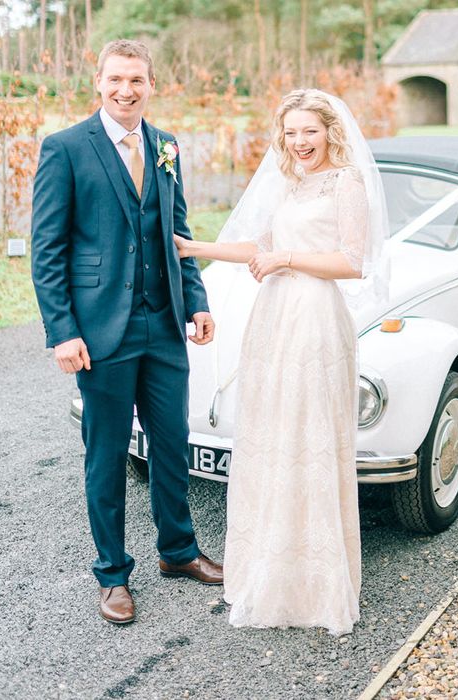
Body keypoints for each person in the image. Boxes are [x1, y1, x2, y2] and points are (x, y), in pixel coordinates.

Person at [174, 89, 388, 635]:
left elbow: (352, 261)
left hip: (315, 318)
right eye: (291, 133)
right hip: (274, 317)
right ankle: (271, 569)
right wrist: (193, 249)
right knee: (273, 437)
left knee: (309, 438)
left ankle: (315, 585)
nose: (299, 142)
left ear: (329, 132)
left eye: (309, 132)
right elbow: (257, 246)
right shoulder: (291, 184)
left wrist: (286, 259)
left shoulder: (347, 183)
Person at [31, 39, 223, 626]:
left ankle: (179, 551)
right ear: (99, 81)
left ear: (151, 84)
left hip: (163, 325)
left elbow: (178, 230)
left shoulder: (165, 146)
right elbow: (48, 250)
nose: (125, 90)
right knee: (108, 455)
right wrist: (63, 331)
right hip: (99, 330)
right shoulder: (65, 148)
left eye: (136, 80)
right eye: (116, 79)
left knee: (171, 445)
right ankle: (112, 574)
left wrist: (196, 300)